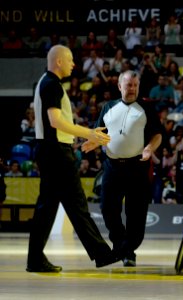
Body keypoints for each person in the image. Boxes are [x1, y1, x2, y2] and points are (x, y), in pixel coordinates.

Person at [27, 45, 118, 273]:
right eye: (70, 60)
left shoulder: (45, 82)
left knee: (48, 207)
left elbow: (56, 125)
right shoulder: (52, 85)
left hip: (51, 150)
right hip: (56, 153)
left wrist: (76, 139)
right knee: (76, 204)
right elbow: (55, 121)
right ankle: (102, 254)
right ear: (59, 61)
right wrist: (88, 132)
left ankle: (35, 259)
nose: (73, 64)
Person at [82, 70, 163, 267]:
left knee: (136, 212)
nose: (132, 89)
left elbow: (158, 135)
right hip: (112, 166)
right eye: (128, 85)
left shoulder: (146, 108)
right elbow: (98, 132)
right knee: (107, 208)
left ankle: (129, 251)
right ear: (120, 87)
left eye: (135, 85)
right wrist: (93, 142)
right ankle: (120, 245)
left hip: (137, 167)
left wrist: (149, 148)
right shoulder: (108, 107)